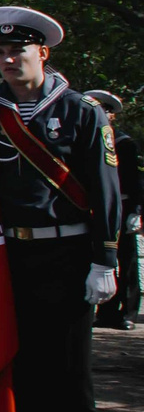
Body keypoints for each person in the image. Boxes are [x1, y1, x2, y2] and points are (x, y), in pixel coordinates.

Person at [0, 8, 119, 412]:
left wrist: (105, 258)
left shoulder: (82, 112)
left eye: (18, 51)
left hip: (69, 255)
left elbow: (105, 189)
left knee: (70, 381)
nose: (8, 60)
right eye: (0, 52)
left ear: (43, 53)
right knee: (28, 379)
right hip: (12, 257)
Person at [87, 90, 141, 331]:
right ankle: (106, 312)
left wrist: (136, 210)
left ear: (112, 115)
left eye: (104, 110)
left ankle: (127, 312)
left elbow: (136, 180)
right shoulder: (85, 138)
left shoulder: (123, 143)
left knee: (126, 261)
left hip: (123, 205)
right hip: (94, 207)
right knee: (101, 258)